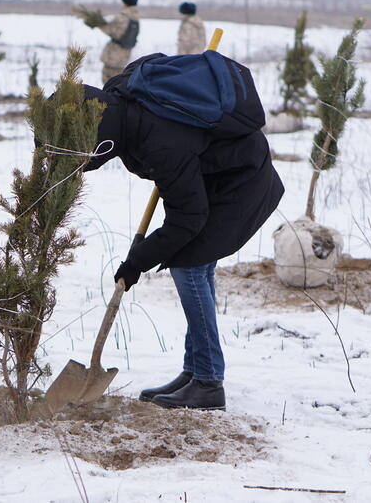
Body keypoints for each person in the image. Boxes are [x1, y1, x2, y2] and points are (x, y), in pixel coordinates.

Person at [78, 54, 284, 411]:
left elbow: (187, 218)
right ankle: (194, 371)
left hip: (240, 181)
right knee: (194, 263)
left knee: (189, 264)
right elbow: (153, 61)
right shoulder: (119, 98)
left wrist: (137, 261)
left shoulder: (161, 144)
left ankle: (207, 383)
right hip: (213, 175)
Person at [98, 0, 140, 84]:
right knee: (118, 80)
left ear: (125, 3)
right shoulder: (135, 16)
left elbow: (114, 32)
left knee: (108, 81)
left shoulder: (123, 16)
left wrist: (99, 23)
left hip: (114, 53)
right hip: (125, 53)